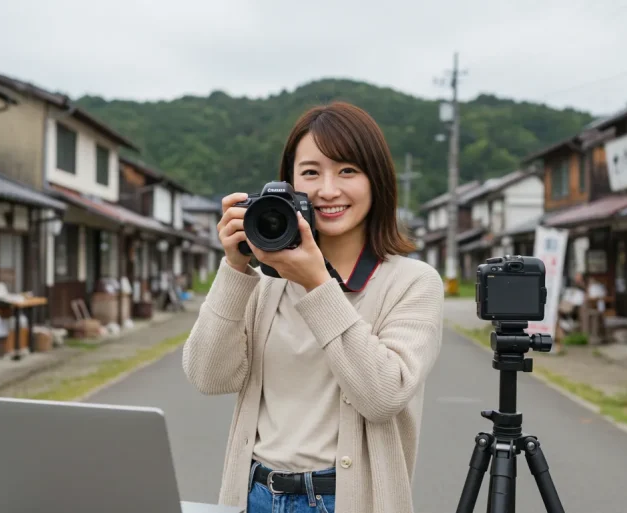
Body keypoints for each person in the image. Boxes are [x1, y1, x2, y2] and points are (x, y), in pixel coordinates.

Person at [182, 101, 444, 513]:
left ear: (376, 180)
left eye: (347, 171)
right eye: (310, 172)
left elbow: (383, 395)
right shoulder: (266, 282)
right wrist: (235, 266)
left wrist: (316, 282)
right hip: (256, 495)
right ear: (287, 185)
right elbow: (208, 376)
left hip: (344, 500)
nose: (327, 190)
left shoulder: (412, 282)